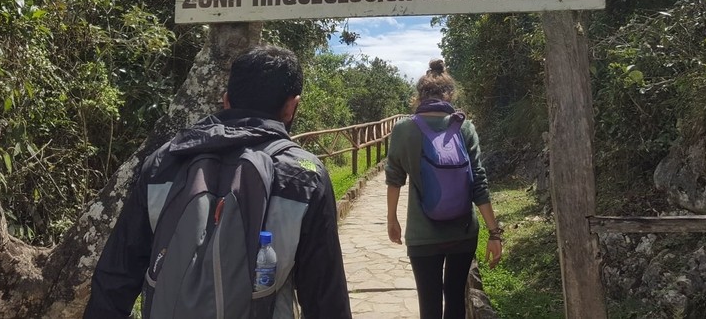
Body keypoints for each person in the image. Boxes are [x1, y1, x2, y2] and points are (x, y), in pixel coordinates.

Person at [84, 45, 352, 319]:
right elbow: (324, 296)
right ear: (292, 107)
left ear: (226, 100)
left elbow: (115, 277)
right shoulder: (305, 176)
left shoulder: (165, 161)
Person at [385, 59, 503, 319]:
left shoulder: (404, 129)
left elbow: (394, 178)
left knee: (429, 306)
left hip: (422, 234)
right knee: (455, 305)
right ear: (450, 94)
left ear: (418, 96)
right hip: (463, 233)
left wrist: (391, 218)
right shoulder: (464, 127)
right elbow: (479, 182)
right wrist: (495, 234)